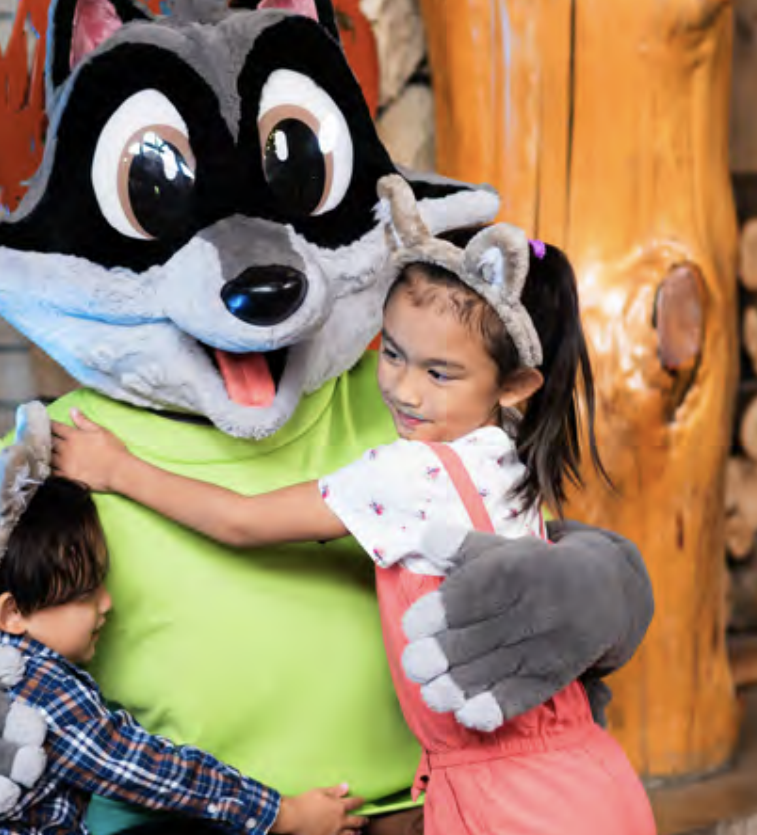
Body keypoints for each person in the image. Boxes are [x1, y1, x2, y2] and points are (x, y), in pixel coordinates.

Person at [50, 179, 653, 835]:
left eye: (439, 373)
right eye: (391, 353)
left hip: (504, 799)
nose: (400, 387)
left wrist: (118, 470)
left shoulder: (408, 474)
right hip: (590, 772)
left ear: (514, 386)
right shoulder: (505, 460)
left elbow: (241, 521)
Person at [0, 404, 363, 835]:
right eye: (84, 594)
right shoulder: (30, 685)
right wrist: (282, 815)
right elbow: (146, 770)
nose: (106, 604)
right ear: (12, 613)